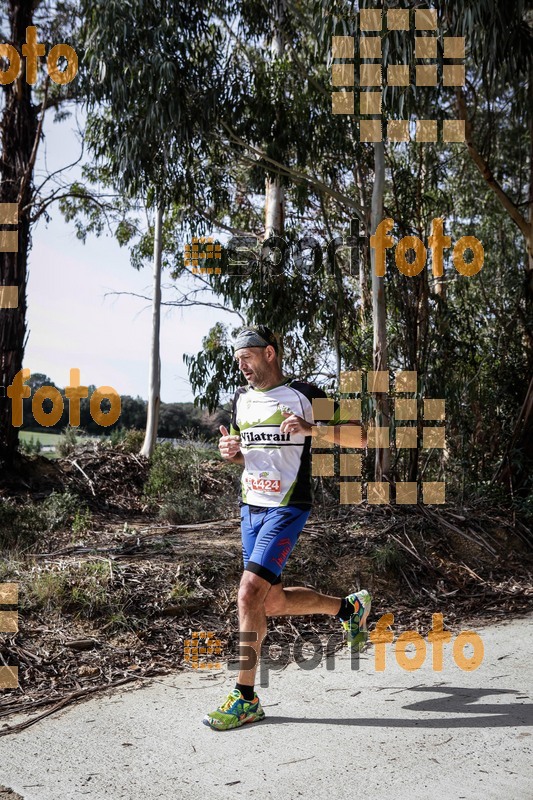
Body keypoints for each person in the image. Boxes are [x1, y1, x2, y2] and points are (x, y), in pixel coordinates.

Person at [203, 325, 371, 731]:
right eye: (238, 359)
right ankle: (349, 609)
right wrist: (232, 452)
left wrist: (313, 429)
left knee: (247, 594)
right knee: (270, 603)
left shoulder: (305, 394)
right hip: (250, 507)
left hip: (287, 505)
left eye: (247, 357)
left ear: (270, 354)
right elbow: (250, 457)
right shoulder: (241, 400)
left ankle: (245, 698)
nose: (241, 365)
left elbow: (362, 436)